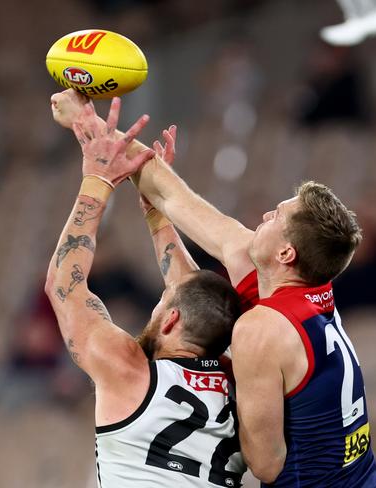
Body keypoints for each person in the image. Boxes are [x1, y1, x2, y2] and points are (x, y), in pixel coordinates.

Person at [51, 89, 376, 487]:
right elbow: (171, 195)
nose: (264, 214)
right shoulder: (301, 289)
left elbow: (265, 465)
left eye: (275, 216)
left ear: (285, 252)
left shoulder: (259, 331)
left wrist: (96, 177)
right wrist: (90, 125)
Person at [45, 99, 246, 488]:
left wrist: (96, 180)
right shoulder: (245, 381)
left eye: (161, 305)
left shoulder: (128, 370)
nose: (156, 308)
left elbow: (63, 286)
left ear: (170, 319)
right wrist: (157, 208)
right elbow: (192, 294)